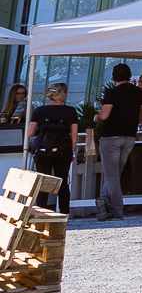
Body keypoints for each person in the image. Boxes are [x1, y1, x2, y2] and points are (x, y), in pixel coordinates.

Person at [94, 64, 142, 221]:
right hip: (129, 136)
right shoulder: (137, 91)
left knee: (111, 175)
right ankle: (103, 200)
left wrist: (95, 118)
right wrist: (137, 122)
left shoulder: (112, 92)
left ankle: (116, 209)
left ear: (113, 76)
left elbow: (104, 115)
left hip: (111, 136)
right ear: (130, 76)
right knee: (116, 173)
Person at [25, 82, 80, 214]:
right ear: (63, 95)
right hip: (63, 149)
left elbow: (30, 132)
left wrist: (43, 134)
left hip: (43, 149)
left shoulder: (39, 110)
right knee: (62, 180)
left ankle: (41, 212)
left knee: (43, 181)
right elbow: (74, 133)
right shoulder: (70, 111)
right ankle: (64, 212)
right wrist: (72, 150)